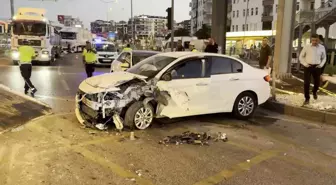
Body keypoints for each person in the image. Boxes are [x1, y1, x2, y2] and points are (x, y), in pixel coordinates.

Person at [299, 34, 326, 105]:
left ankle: (314, 91)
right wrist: (305, 64)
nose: (314, 42)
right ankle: (307, 98)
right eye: (313, 40)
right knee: (306, 83)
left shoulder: (322, 47)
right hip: (308, 66)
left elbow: (324, 58)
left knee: (317, 82)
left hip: (317, 67)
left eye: (316, 40)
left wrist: (321, 65)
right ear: (311, 40)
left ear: (318, 40)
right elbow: (301, 57)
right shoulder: (306, 47)